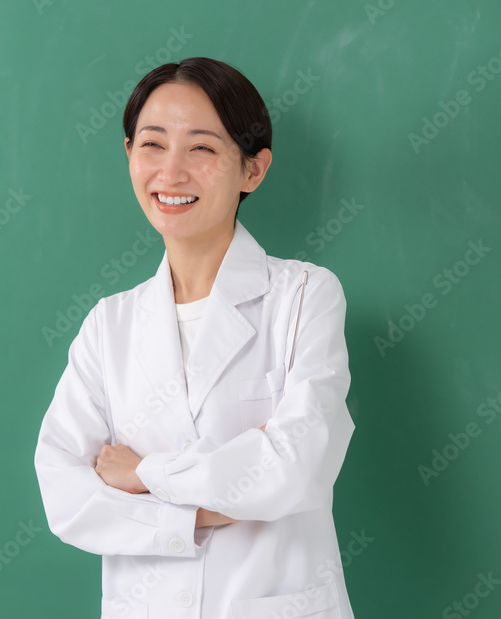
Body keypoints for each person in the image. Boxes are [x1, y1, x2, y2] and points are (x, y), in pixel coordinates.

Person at [35, 57, 356, 619]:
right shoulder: (109, 325)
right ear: (129, 154)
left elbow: (294, 467)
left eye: (202, 148)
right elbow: (67, 498)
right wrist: (207, 509)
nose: (171, 171)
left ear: (253, 170)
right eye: (152, 144)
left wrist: (143, 474)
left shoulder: (306, 296)